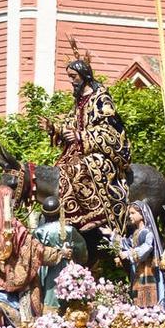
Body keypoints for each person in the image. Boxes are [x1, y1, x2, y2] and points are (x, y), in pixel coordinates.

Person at [37, 56, 131, 232]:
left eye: (74, 77)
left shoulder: (101, 98)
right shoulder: (79, 100)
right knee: (60, 170)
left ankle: (97, 214)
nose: (71, 81)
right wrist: (54, 128)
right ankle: (72, 213)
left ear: (84, 75)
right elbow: (71, 125)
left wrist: (80, 136)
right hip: (79, 149)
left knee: (81, 168)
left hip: (101, 151)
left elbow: (109, 129)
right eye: (70, 77)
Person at [0, 182, 69, 326]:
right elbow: (35, 250)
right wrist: (59, 253)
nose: (12, 205)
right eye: (9, 202)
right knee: (22, 327)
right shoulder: (13, 227)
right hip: (14, 290)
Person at [102, 201, 165, 308]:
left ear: (142, 214)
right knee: (138, 292)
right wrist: (111, 234)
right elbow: (126, 243)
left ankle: (152, 311)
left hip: (147, 269)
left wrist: (128, 254)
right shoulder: (136, 232)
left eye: (133, 213)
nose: (130, 216)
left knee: (147, 293)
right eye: (130, 213)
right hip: (138, 268)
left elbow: (147, 248)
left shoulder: (147, 232)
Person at [32, 196, 87, 312]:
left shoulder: (39, 232)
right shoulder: (70, 230)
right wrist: (78, 259)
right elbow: (82, 249)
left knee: (49, 297)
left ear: (44, 213)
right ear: (60, 212)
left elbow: (35, 253)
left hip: (47, 270)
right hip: (67, 267)